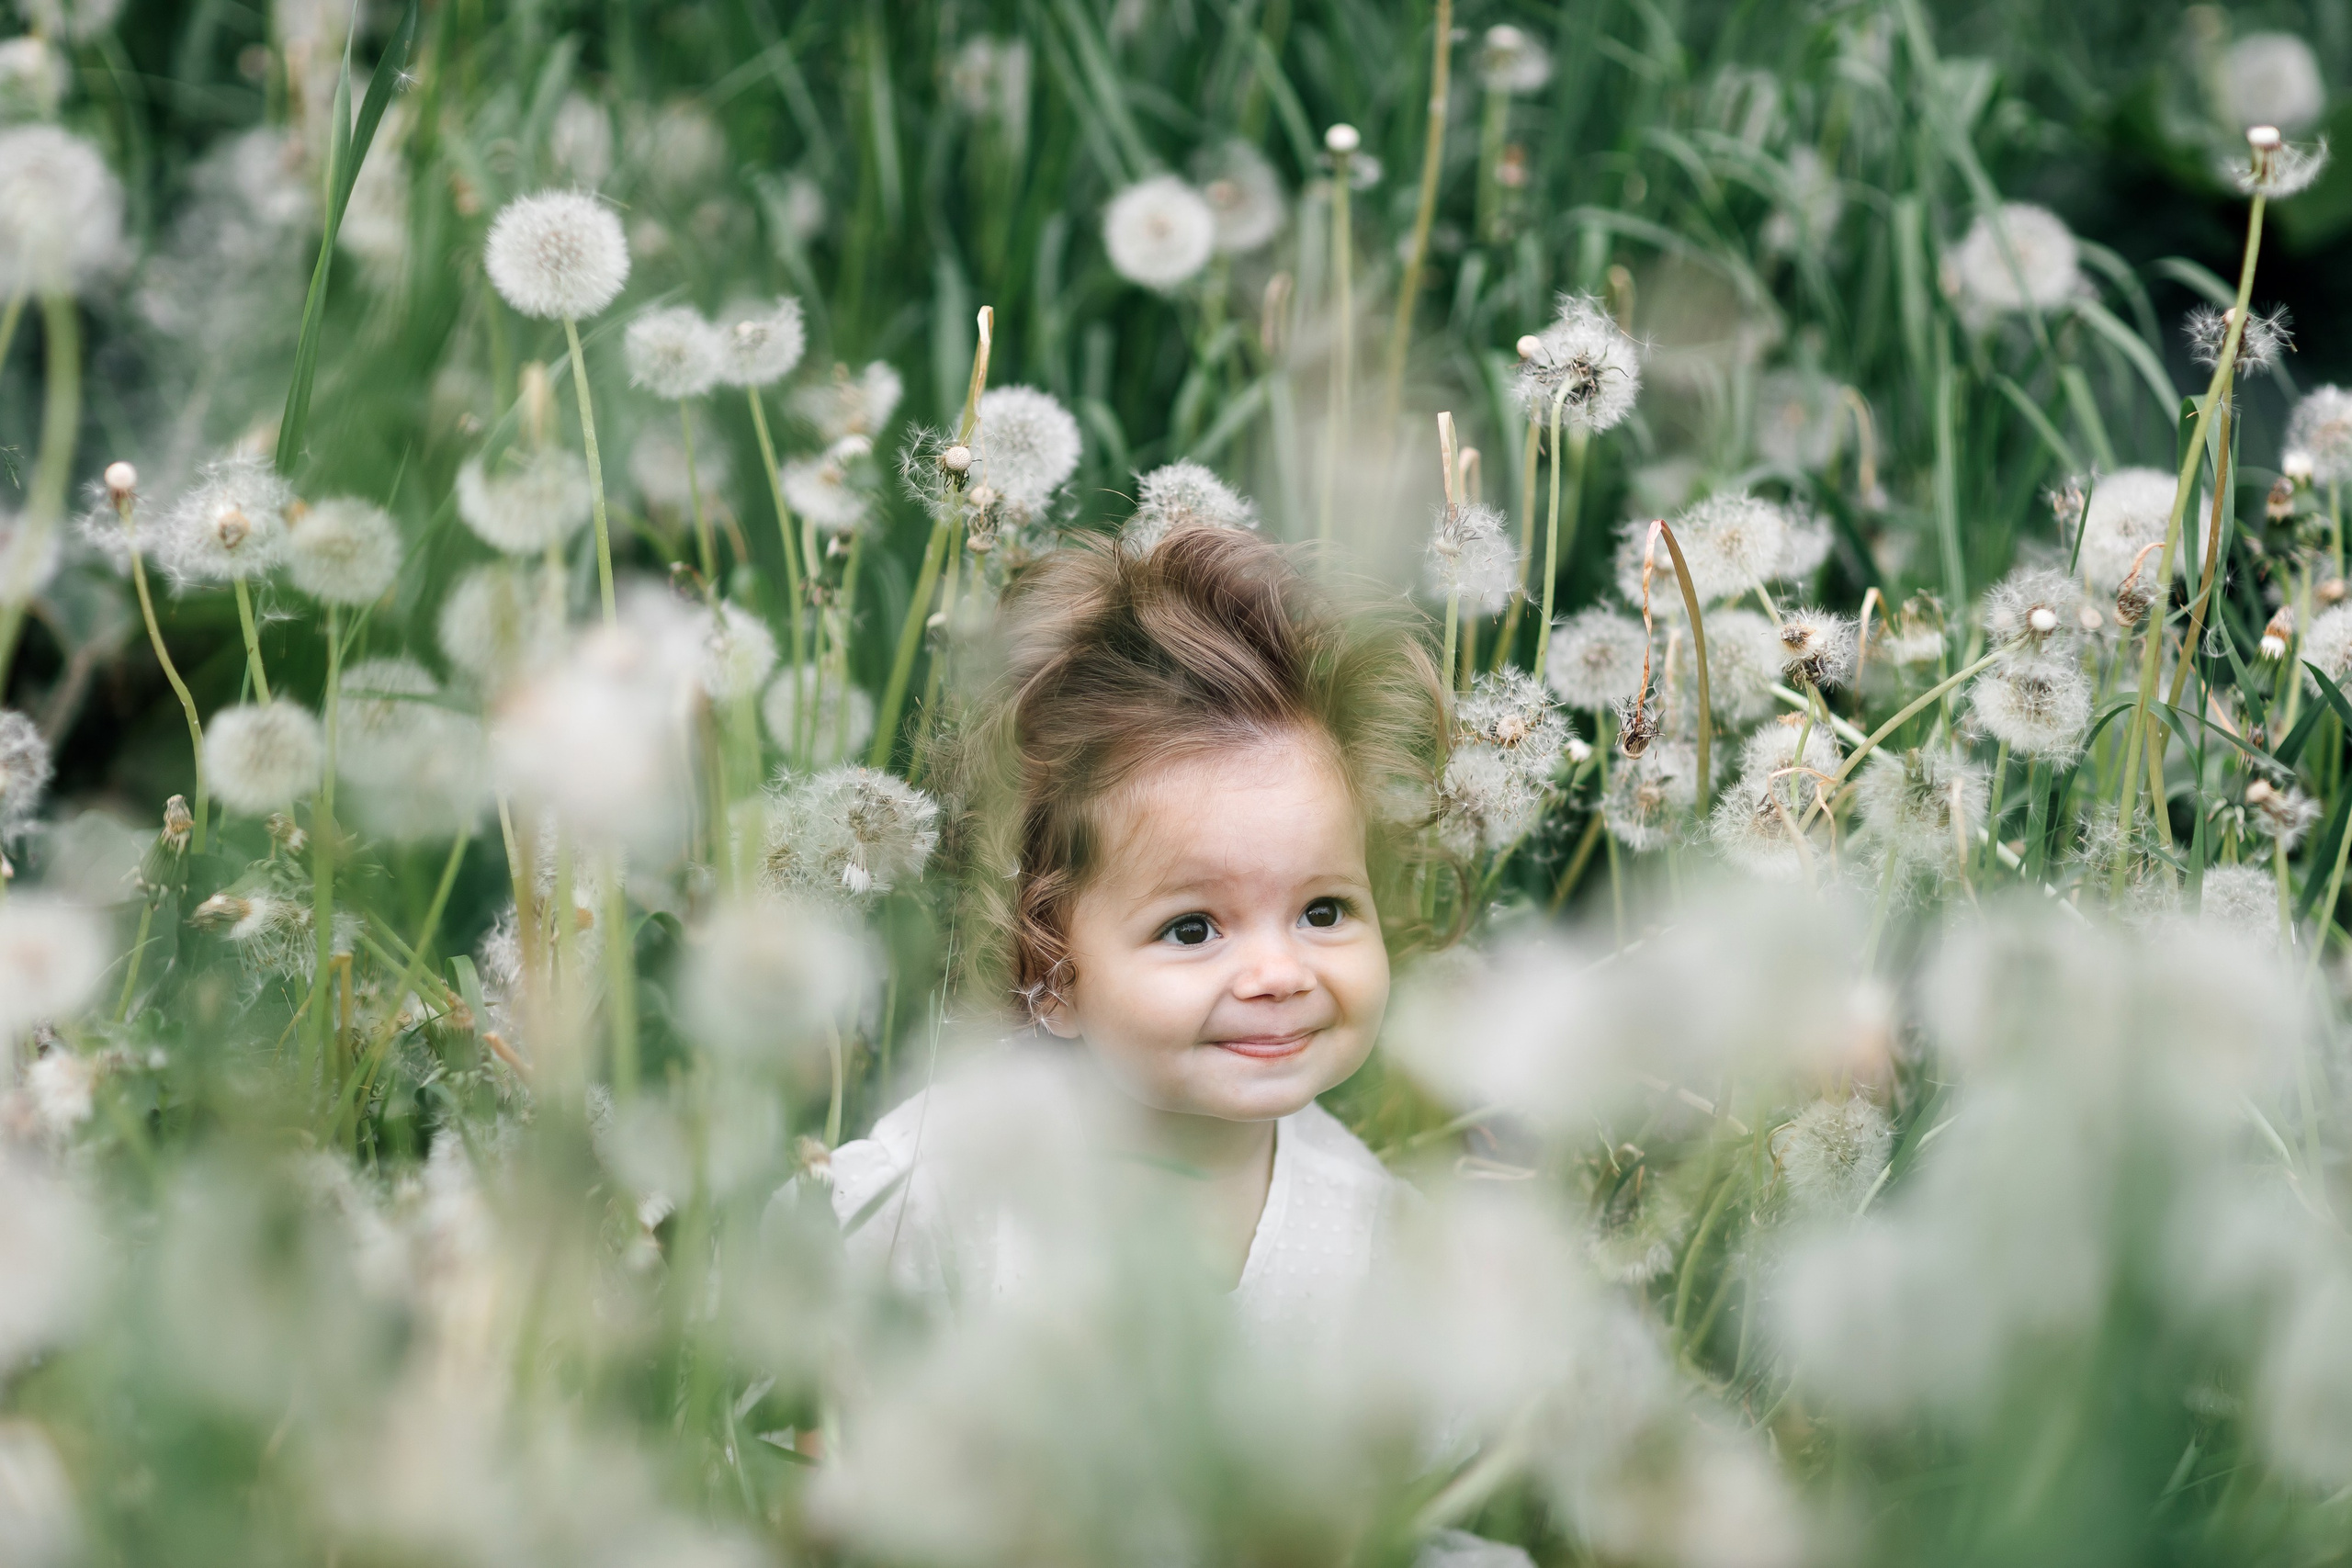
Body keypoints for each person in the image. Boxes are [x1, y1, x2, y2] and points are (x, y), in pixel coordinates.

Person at [826, 523, 1452, 1333]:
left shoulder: (1381, 1246)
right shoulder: (932, 1191)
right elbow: (795, 1407)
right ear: (1047, 966)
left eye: (1322, 911)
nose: (1279, 972)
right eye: (1193, 929)